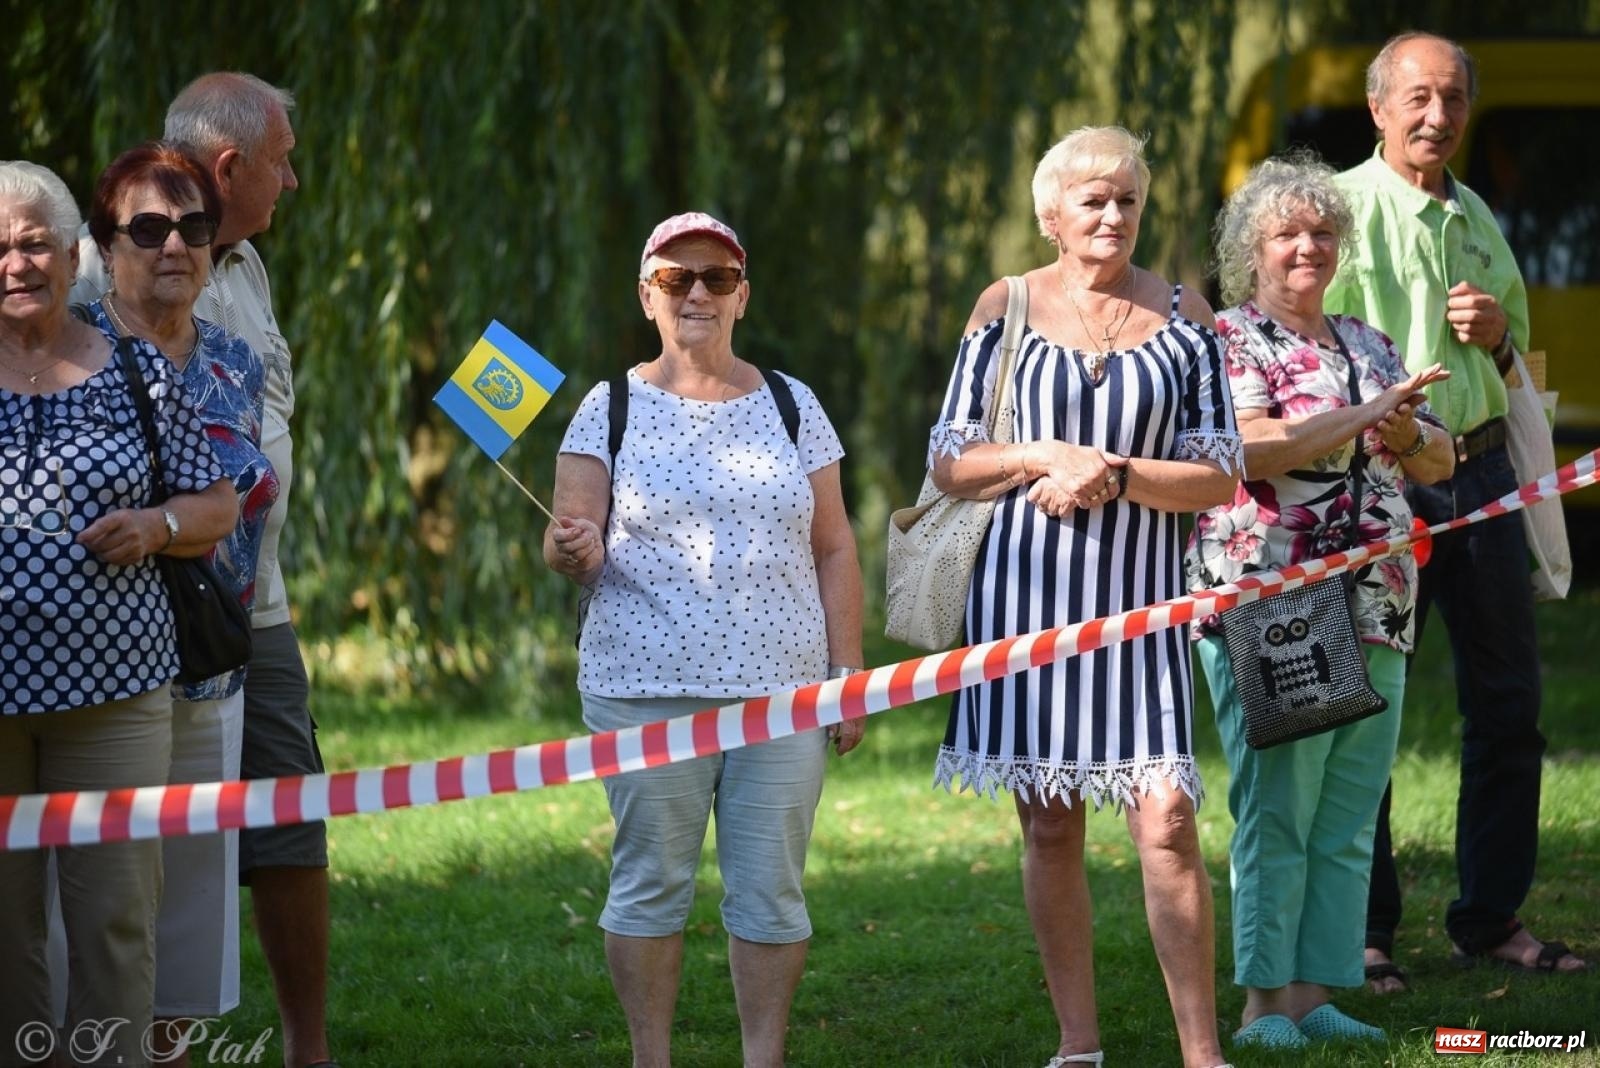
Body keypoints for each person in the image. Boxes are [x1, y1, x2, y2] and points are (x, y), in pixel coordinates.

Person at [928, 126, 1240, 1068]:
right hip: (1024, 603)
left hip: (1140, 607)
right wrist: (1038, 455)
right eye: (1093, 201)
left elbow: (1220, 474)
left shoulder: (1188, 318)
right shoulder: (1007, 305)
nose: (1113, 216)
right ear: (1050, 214)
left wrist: (1111, 471)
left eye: (1128, 201)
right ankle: (1079, 1045)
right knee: (1051, 821)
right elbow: (950, 460)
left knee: (1169, 824)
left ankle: (1201, 1051)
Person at [544, 211, 864, 1068]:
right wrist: (573, 548)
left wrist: (849, 670)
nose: (697, 293)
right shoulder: (606, 405)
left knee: (772, 896)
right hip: (647, 690)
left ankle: (764, 1059)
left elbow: (834, 547)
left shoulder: (794, 404)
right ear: (647, 295)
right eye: (677, 278)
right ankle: (653, 1059)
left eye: (716, 279)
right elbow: (567, 540)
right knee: (651, 887)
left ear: (742, 296)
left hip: (783, 696)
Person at [73, 72, 337, 1067]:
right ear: (231, 167)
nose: (294, 181)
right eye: (282, 162)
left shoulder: (249, 267)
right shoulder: (105, 273)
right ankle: (136, 1041)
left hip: (250, 609)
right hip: (138, 610)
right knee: (141, 850)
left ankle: (308, 1046)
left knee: (289, 816)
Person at [1322, 32, 1588, 989]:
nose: (1438, 116)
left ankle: (1491, 917)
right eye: (1419, 98)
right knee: (1369, 713)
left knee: (1510, 707)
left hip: (1482, 481)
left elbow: (1523, 364)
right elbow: (1302, 351)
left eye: (1454, 100)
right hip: (1379, 484)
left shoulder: (1476, 214)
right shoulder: (1338, 214)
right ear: (1380, 108)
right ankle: (1362, 929)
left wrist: (1502, 331)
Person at [1185, 155, 1455, 1048]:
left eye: (1322, 232)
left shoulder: (1366, 340)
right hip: (1275, 595)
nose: (1308, 247)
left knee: (1348, 805)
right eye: (1286, 233)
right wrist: (1369, 412)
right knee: (1279, 804)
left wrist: (1407, 427)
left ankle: (1316, 992)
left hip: (1380, 597)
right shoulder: (1232, 339)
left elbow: (1439, 460)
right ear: (1249, 250)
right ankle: (1263, 1004)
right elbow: (1256, 450)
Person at [1, 159, 235, 1066]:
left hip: (115, 696)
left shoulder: (136, 369)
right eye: (0, 250)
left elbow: (216, 504)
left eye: (34, 246)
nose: (18, 264)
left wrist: (156, 524)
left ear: (70, 258)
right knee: (2, 931)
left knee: (113, 925)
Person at [82, 140, 279, 1062]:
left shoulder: (237, 358)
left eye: (193, 227)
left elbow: (242, 497)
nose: (174, 246)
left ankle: (169, 1050)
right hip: (91, 672)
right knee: (93, 891)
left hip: (207, 660)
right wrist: (174, 521)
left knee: (194, 890)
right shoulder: (65, 348)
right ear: (105, 242)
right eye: (148, 228)